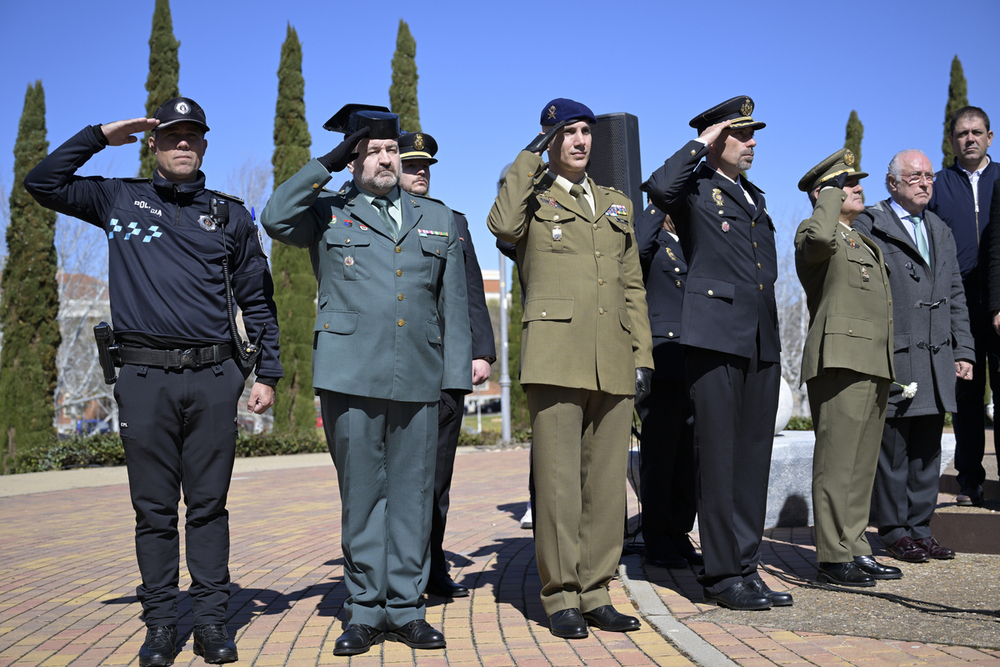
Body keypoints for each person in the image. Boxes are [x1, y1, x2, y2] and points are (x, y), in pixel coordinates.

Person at [24, 97, 281, 667]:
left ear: (205, 145)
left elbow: (256, 300)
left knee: (209, 508)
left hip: (216, 377)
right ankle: (162, 623)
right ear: (153, 144)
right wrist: (99, 134)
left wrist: (267, 372)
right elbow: (42, 183)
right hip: (143, 378)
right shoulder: (118, 199)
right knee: (155, 510)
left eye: (192, 136)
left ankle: (213, 621)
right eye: (171, 136)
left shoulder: (230, 214)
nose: (182, 144)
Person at [259, 105, 471, 656]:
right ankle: (364, 609)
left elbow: (453, 306)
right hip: (351, 374)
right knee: (362, 498)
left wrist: (454, 382)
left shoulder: (437, 218)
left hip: (420, 377)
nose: (384, 158)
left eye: (390, 150)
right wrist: (326, 162)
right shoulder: (328, 211)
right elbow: (275, 217)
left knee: (412, 497)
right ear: (354, 161)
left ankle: (405, 608)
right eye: (372, 150)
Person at [487, 98, 653, 639]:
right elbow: (502, 225)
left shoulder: (616, 203)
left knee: (605, 486)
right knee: (558, 485)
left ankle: (597, 591)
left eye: (585, 132)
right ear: (550, 140)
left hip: (613, 357)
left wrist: (643, 356)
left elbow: (632, 286)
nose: (580, 140)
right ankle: (560, 596)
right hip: (556, 356)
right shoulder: (530, 196)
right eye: (568, 132)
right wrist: (530, 157)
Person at [642, 96, 787, 611]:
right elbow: (659, 186)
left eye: (753, 135)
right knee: (719, 460)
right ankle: (723, 573)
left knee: (751, 460)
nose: (751, 143)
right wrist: (700, 142)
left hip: (759, 339)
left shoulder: (753, 197)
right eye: (741, 133)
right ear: (716, 137)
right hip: (714, 337)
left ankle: (747, 567)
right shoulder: (694, 188)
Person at [857, 149, 974, 563]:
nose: (926, 183)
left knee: (928, 450)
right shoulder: (871, 224)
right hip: (897, 355)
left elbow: (955, 293)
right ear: (893, 184)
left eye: (929, 177)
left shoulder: (939, 228)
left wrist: (965, 349)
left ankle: (921, 529)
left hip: (937, 357)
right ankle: (893, 530)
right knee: (894, 452)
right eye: (916, 177)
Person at [794, 149, 901, 587]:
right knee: (836, 462)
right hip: (838, 360)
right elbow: (819, 240)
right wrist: (826, 200)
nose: (858, 188)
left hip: (873, 361)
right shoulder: (815, 233)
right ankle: (832, 556)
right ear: (825, 195)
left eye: (857, 182)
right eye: (847, 183)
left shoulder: (861, 239)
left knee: (861, 465)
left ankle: (856, 546)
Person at [396, 131, 496, 598]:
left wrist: (481, 351)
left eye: (426, 166)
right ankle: (397, 573)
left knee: (437, 480)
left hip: (443, 370)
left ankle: (433, 566)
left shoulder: (452, 221)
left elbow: (472, 289)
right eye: (412, 164)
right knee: (395, 478)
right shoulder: (380, 217)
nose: (421, 172)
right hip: (396, 368)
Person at [926, 106, 999, 507]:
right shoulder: (937, 186)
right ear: (952, 141)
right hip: (958, 308)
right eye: (961, 133)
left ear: (990, 136)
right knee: (966, 396)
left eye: (976, 132)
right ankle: (969, 479)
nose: (969, 138)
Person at [633, 203, 702, 569]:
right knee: (661, 458)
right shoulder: (654, 238)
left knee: (688, 458)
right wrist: (659, 202)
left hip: (694, 360)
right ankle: (657, 539)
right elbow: (636, 244)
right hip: (661, 360)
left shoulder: (692, 241)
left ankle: (679, 532)